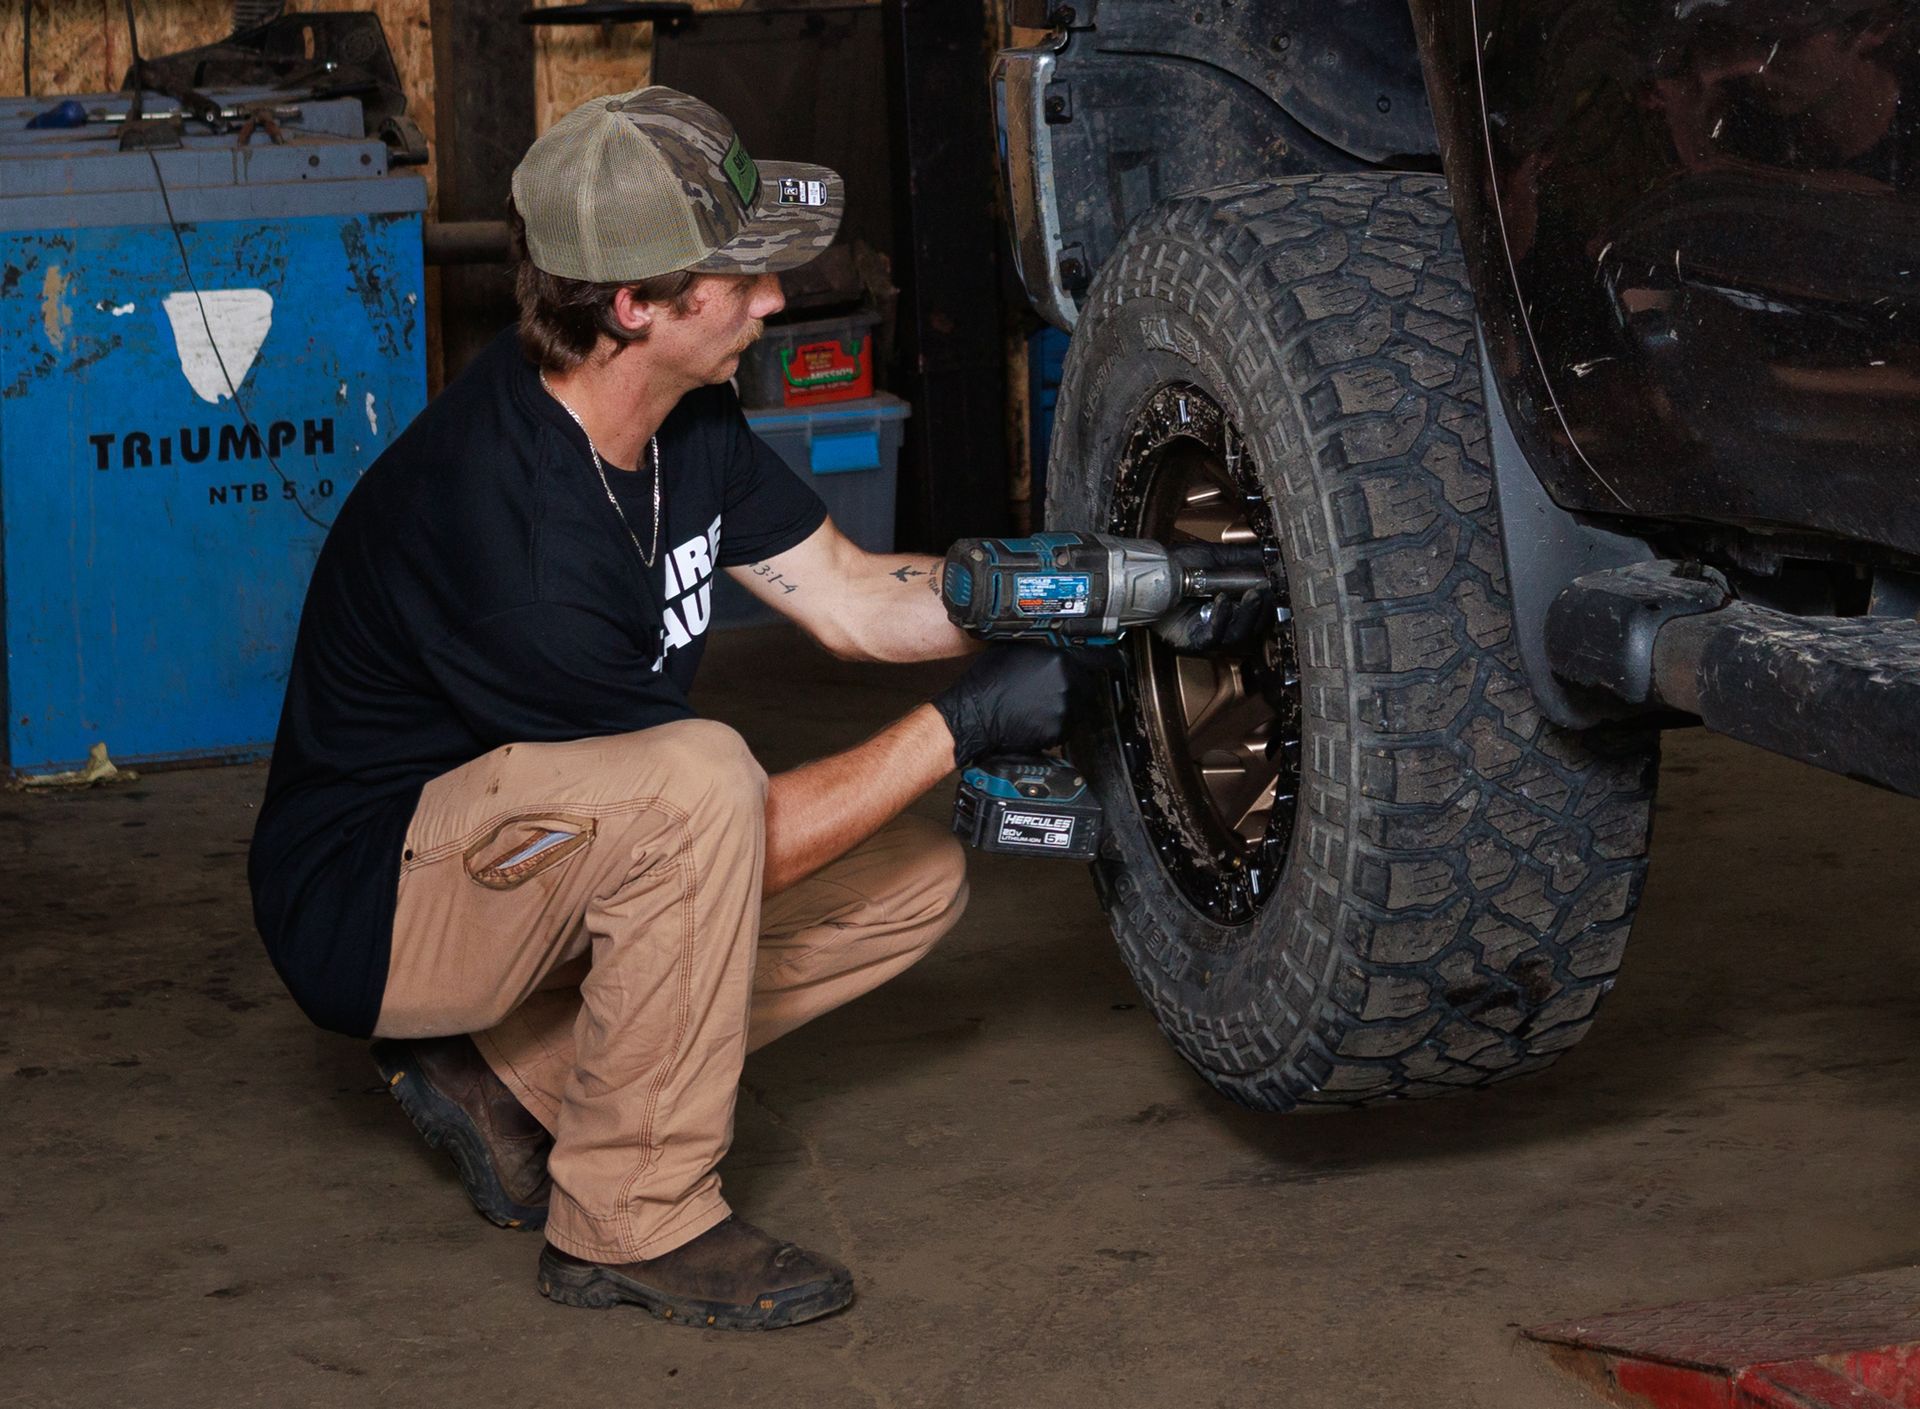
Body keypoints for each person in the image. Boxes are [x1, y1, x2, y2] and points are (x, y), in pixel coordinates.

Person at [247, 86, 1077, 1331]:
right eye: (739, 282)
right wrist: (957, 723)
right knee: (703, 778)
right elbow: (718, 828)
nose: (776, 302)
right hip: (378, 891)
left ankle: (513, 1078)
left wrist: (1042, 594)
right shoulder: (518, 537)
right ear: (635, 305)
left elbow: (851, 596)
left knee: (914, 878)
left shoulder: (679, 418)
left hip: (535, 846)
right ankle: (629, 1223)